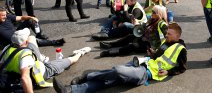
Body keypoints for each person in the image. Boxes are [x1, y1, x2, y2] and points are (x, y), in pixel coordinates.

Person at [53, 22, 187, 93]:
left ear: (177, 36)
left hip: (146, 73)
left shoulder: (181, 49)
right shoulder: (166, 42)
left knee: (117, 71)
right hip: (143, 62)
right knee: (111, 79)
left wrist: (168, 72)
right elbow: (159, 56)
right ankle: (70, 90)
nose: (166, 34)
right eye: (167, 32)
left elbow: (182, 68)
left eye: (169, 33)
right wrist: (152, 53)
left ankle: (87, 76)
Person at [0, 28, 91, 92]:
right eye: (26, 37)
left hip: (34, 63)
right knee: (71, 60)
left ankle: (42, 58)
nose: (28, 38)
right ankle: (80, 52)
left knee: (32, 37)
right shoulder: (25, 56)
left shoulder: (7, 48)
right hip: (43, 71)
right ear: (25, 42)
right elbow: (25, 77)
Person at [99, 5, 168, 57]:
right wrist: (137, 24)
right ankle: (110, 44)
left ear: (159, 14)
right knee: (130, 37)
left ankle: (110, 53)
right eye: (152, 11)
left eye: (154, 12)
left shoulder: (162, 24)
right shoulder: (152, 20)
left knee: (133, 46)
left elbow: (168, 39)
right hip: (145, 39)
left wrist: (157, 51)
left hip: (151, 45)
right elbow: (144, 26)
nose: (152, 13)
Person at [0, 7, 64, 48]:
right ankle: (54, 42)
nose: (5, 17)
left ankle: (39, 35)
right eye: (3, 15)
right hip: (12, 43)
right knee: (31, 40)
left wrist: (31, 17)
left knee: (30, 20)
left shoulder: (7, 17)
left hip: (17, 33)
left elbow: (21, 17)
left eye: (5, 15)